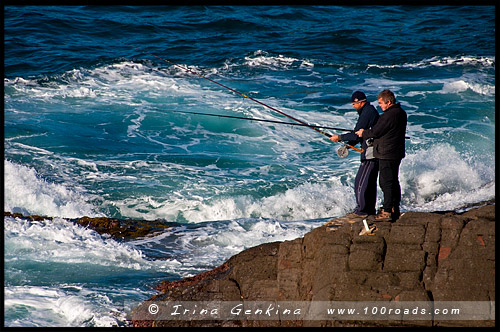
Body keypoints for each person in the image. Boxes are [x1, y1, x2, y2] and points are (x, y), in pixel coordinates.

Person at [355, 89, 407, 222]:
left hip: (387, 153)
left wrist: (363, 133)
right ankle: (394, 207)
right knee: (393, 181)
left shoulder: (389, 115)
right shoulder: (400, 112)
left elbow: (377, 131)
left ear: (388, 102)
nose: (379, 105)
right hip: (395, 152)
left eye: (381, 103)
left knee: (386, 183)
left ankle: (387, 211)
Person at [330, 91, 379, 218]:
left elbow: (356, 134)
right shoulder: (368, 110)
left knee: (360, 182)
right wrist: (347, 145)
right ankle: (369, 209)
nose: (353, 106)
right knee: (369, 182)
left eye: (354, 103)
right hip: (374, 152)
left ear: (361, 102)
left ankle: (361, 211)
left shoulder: (367, 112)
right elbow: (358, 135)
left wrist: (339, 137)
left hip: (371, 153)